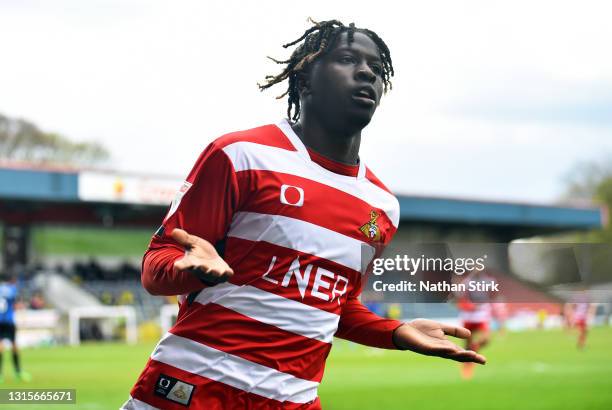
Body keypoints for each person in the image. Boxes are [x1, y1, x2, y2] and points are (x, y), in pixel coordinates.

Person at [122, 19, 485, 409]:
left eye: (377, 70)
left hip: (293, 402)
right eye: (348, 59)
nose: (367, 73)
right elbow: (155, 265)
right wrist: (187, 269)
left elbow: (334, 306)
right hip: (192, 390)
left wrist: (394, 332)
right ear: (306, 77)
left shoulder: (382, 207)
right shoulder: (242, 156)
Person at [455, 269, 495, 380]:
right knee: (467, 342)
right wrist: (469, 306)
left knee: (486, 339)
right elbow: (459, 299)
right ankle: (467, 366)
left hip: (481, 313)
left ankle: (475, 347)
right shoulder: (466, 283)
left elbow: (493, 294)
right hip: (468, 315)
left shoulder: (488, 281)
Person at [0, 273, 30, 382]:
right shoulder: (12, 289)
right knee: (14, 346)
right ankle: (18, 372)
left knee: (0, 346)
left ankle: (0, 375)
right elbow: (16, 304)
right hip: (8, 321)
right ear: (12, 280)